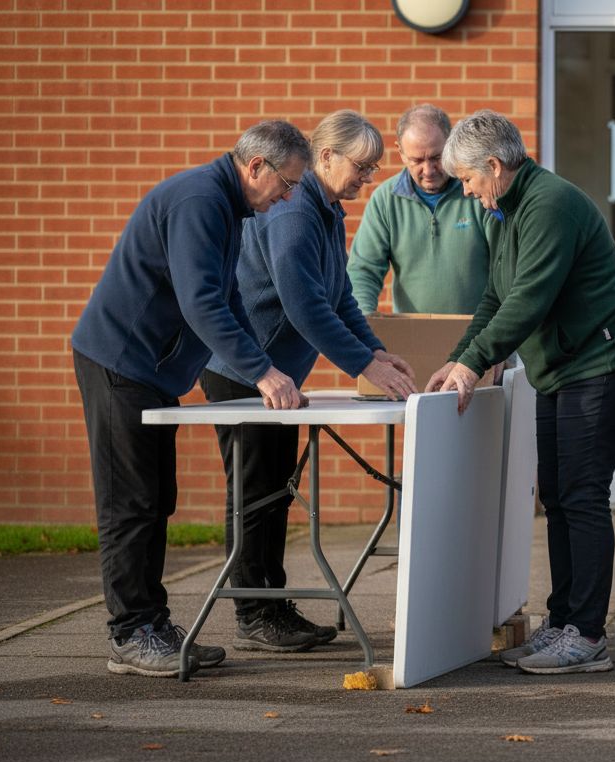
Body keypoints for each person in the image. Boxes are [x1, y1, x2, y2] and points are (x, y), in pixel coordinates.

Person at [71, 121, 312, 677]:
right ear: (255, 167)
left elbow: (226, 297)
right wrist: (264, 374)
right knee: (130, 503)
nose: (289, 195)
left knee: (157, 498)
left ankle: (152, 624)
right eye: (287, 182)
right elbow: (201, 302)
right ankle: (131, 634)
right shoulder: (200, 200)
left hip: (150, 371)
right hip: (118, 362)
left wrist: (262, 366)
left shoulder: (228, 207)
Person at [425, 110, 615, 675]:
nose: (471, 194)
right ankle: (564, 620)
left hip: (602, 361)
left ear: (495, 167)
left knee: (581, 493)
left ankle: (589, 635)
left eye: (471, 181)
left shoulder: (549, 205)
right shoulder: (504, 209)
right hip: (562, 366)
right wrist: (460, 357)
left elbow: (529, 298)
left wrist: (475, 364)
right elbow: (495, 298)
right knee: (556, 495)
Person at [199, 110, 417, 653]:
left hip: (277, 377)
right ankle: (253, 611)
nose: (366, 179)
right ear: (325, 157)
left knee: (273, 493)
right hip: (242, 371)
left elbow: (340, 296)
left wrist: (377, 354)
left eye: (372, 170)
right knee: (253, 495)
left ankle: (272, 604)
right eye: (361, 167)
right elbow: (304, 306)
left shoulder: (326, 211)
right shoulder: (294, 211)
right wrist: (365, 366)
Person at [347, 103, 492, 315]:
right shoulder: (386, 200)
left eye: (436, 157)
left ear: (451, 144)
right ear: (400, 152)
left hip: (479, 335)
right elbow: (363, 272)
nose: (428, 170)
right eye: (417, 160)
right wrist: (365, 322)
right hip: (414, 336)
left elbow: (506, 266)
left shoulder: (478, 192)